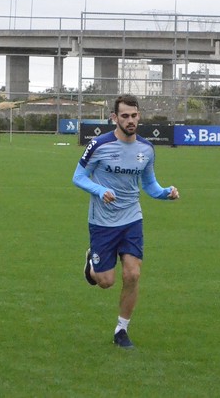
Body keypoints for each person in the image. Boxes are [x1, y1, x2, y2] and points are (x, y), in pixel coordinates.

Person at [72, 94, 179, 349]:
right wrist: (99, 190)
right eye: (124, 116)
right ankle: (91, 264)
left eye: (134, 115)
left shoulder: (146, 149)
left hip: (132, 219)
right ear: (114, 118)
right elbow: (78, 177)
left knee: (132, 274)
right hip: (103, 221)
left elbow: (149, 185)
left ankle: (121, 330)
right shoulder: (99, 145)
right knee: (106, 282)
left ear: (139, 115)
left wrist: (166, 193)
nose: (130, 120)